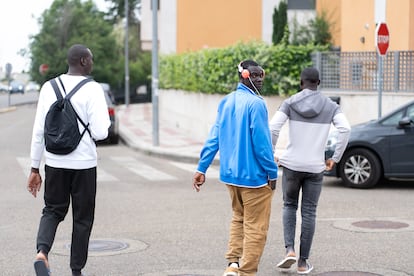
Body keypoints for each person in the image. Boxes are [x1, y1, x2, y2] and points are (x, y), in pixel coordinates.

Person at [27, 44, 111, 276]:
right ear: (83, 61)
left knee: (52, 210)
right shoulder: (92, 89)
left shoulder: (48, 87)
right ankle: (76, 271)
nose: (92, 63)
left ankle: (42, 253)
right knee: (82, 219)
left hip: (54, 163)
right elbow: (101, 132)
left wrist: (35, 167)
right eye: (91, 59)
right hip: (83, 165)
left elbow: (38, 131)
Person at [192, 60, 278, 276]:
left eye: (261, 75)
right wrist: (272, 172)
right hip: (255, 179)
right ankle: (246, 272)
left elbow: (214, 137)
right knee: (256, 228)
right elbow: (262, 144)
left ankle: (233, 263)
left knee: (239, 218)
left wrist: (202, 168)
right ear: (245, 75)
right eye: (256, 75)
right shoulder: (256, 104)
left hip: (230, 177)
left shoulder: (226, 101)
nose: (259, 79)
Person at [269, 67, 350, 274]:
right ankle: (303, 263)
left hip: (292, 165)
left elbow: (273, 128)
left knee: (289, 205)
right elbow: (345, 129)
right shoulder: (330, 105)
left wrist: (271, 153)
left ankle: (289, 250)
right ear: (319, 82)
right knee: (309, 212)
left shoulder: (290, 102)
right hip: (315, 167)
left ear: (301, 82)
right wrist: (335, 158)